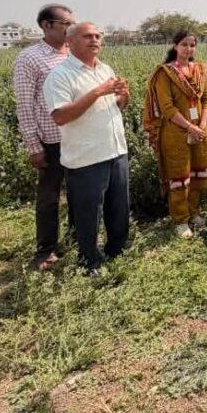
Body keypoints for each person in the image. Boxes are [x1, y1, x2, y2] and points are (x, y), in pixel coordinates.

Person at [43, 22, 130, 275]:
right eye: (87, 36)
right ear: (69, 42)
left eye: (97, 36)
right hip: (86, 158)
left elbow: (118, 105)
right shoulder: (60, 76)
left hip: (115, 151)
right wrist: (98, 91)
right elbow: (60, 116)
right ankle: (90, 260)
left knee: (119, 207)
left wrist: (123, 94)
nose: (95, 40)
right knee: (88, 214)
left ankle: (117, 250)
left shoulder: (105, 69)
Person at [12, 3, 75, 270]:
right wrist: (33, 146)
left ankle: (77, 237)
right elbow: (25, 105)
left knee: (80, 191)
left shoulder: (74, 53)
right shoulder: (30, 58)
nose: (70, 29)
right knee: (50, 197)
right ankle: (45, 249)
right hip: (51, 140)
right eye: (66, 24)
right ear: (46, 25)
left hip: (79, 137)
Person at [145, 30, 207, 238]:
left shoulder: (200, 70)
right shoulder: (165, 73)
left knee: (197, 173)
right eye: (184, 44)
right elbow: (167, 108)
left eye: (192, 45)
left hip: (200, 131)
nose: (188, 49)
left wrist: (201, 124)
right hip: (176, 133)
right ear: (175, 46)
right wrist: (189, 127)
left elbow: (206, 100)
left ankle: (193, 212)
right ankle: (180, 220)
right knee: (179, 175)